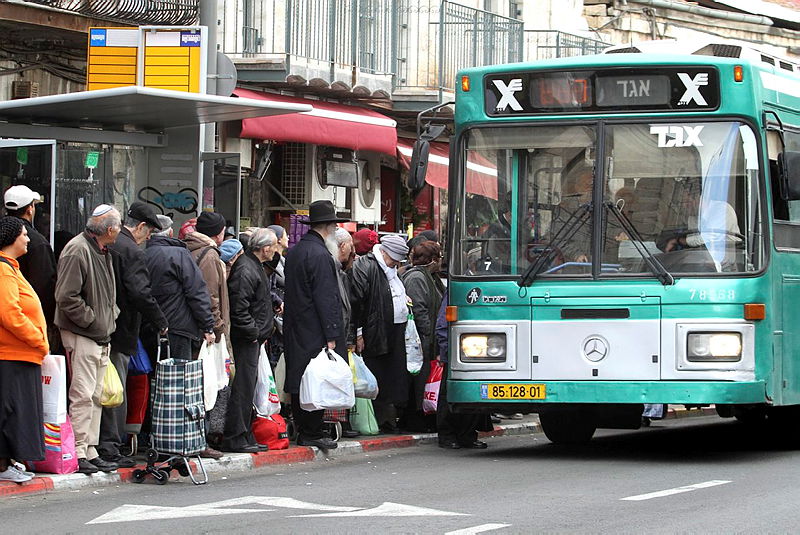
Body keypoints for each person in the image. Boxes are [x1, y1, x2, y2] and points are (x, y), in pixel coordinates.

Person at [55, 204, 121, 474]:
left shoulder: (98, 249)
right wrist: (93, 320)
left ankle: (89, 448)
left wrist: (109, 317)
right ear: (109, 230)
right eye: (118, 227)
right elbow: (66, 297)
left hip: (97, 333)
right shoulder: (78, 250)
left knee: (95, 394)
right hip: (84, 333)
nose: (119, 231)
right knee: (83, 394)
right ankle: (80, 450)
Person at [100, 202, 167, 468]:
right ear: (140, 227)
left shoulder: (111, 244)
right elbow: (140, 293)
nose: (149, 238)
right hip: (123, 327)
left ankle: (104, 441)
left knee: (103, 387)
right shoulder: (132, 251)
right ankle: (112, 444)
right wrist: (160, 320)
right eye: (148, 232)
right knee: (116, 389)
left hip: (104, 326)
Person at [283, 201, 347, 450]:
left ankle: (304, 428)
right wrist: (331, 333)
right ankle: (311, 430)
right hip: (314, 327)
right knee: (317, 378)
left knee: (301, 377)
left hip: (296, 324)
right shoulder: (320, 255)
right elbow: (326, 298)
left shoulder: (297, 251)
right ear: (329, 227)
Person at [0, 217, 49, 482]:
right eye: (24, 234)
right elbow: (9, 313)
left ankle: (8, 462)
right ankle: (2, 465)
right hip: (12, 353)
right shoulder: (3, 269)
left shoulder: (11, 268)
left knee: (16, 412)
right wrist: (38, 340)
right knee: (10, 412)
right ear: (11, 239)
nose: (28, 238)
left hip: (21, 354)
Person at [222, 227, 278, 453]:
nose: (277, 250)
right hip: (247, 339)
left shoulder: (253, 266)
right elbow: (240, 308)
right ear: (265, 249)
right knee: (243, 387)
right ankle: (235, 435)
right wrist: (254, 332)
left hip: (253, 337)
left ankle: (243, 433)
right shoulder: (247, 269)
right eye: (274, 246)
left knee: (248, 386)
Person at [350, 234, 410, 434]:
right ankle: (379, 419)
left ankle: (388, 419)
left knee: (392, 377)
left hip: (393, 329)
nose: (395, 263)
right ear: (383, 252)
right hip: (375, 331)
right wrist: (358, 333)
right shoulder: (366, 267)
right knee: (378, 374)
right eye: (393, 259)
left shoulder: (390, 270)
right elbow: (357, 302)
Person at [144, 216, 216, 361]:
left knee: (154, 376)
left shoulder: (143, 254)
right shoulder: (179, 255)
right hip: (178, 328)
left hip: (149, 327)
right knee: (177, 378)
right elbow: (196, 292)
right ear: (171, 233)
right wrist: (208, 326)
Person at [400, 241, 445, 432]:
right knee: (418, 383)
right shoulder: (417, 278)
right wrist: (429, 336)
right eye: (440, 257)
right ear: (433, 260)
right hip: (420, 341)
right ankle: (415, 419)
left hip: (427, 339)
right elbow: (419, 310)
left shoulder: (431, 277)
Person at [434, 295, 489, 449]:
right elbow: (442, 324)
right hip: (457, 352)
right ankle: (447, 435)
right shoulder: (455, 290)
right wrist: (446, 350)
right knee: (449, 396)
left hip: (478, 349)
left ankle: (468, 435)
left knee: (474, 395)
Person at [3, 186, 57, 334]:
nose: (26, 239)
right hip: (28, 324)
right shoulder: (37, 243)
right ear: (30, 209)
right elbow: (45, 286)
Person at [185, 211, 230, 351]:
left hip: (194, 324)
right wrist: (217, 327)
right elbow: (210, 295)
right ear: (218, 233)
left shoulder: (190, 247)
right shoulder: (209, 255)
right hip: (205, 329)